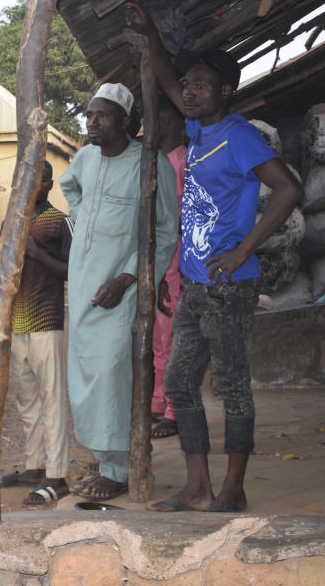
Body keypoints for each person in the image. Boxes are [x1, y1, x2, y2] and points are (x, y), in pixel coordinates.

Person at [127, 4, 303, 513]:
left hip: (231, 284)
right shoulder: (200, 129)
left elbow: (289, 188)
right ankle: (197, 486)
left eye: (201, 84)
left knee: (230, 386)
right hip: (194, 281)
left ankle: (233, 489)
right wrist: (152, 31)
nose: (191, 91)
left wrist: (245, 247)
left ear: (225, 91)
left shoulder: (240, 135)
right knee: (181, 383)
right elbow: (164, 76)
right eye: (188, 85)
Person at [60, 83, 179, 501]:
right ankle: (105, 454)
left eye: (102, 115)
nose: (92, 122)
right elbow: (69, 187)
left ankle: (118, 468)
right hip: (84, 281)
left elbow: (166, 230)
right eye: (89, 115)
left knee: (113, 374)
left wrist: (128, 277)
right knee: (85, 375)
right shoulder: (85, 157)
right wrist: (83, 213)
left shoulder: (150, 163)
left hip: (122, 289)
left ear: (125, 121)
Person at [0, 161, 73, 506]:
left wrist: (36, 253)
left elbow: (73, 270)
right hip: (17, 323)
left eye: (36, 179)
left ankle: (57, 476)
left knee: (52, 399)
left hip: (47, 321)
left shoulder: (60, 220)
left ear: (48, 182)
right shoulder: (11, 222)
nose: (28, 185)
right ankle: (35, 466)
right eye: (22, 179)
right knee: (27, 400)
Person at [151, 104, 187, 440]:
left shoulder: (182, 160)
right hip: (160, 259)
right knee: (159, 336)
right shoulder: (159, 161)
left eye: (159, 119)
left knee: (172, 335)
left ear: (172, 122)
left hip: (175, 257)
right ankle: (159, 403)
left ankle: (174, 410)